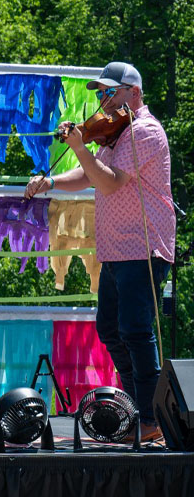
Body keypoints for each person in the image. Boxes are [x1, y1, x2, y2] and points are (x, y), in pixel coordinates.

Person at [25, 62, 175, 442]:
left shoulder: (144, 132)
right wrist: (52, 182)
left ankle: (151, 417)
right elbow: (90, 175)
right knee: (110, 329)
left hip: (142, 246)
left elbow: (108, 185)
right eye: (100, 93)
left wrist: (79, 146)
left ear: (134, 93)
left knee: (137, 332)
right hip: (115, 249)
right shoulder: (115, 136)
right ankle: (142, 412)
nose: (103, 100)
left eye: (110, 92)